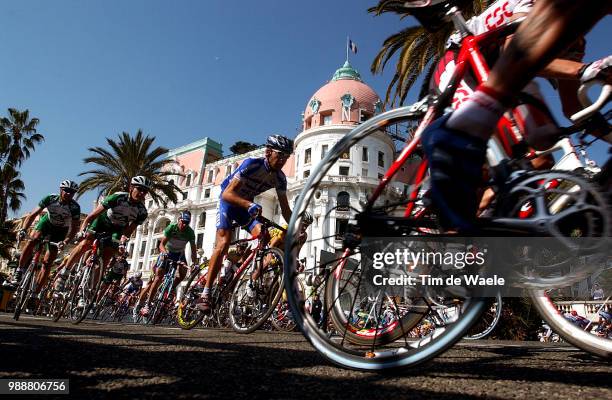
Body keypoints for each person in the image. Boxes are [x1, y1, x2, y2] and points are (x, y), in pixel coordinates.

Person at [417, 0, 612, 230]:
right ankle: (446, 212)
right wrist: (583, 70)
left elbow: (572, 108)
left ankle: (488, 209)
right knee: (475, 158)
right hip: (464, 62)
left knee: (542, 152)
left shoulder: (577, 37)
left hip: (507, 69)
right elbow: (518, 49)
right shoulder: (528, 2)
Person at [196, 134, 295, 312]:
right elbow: (227, 194)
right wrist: (249, 204)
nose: (282, 160)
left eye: (286, 157)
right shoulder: (251, 164)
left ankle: (251, 278)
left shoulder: (280, 178)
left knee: (264, 236)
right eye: (280, 155)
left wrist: (297, 225)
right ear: (268, 152)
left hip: (245, 208)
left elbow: (286, 210)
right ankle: (206, 291)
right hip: (229, 201)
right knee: (224, 242)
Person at [60, 176, 150, 307]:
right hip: (102, 221)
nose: (142, 193)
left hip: (117, 229)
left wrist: (123, 240)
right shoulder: (117, 197)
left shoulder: (142, 211)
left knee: (106, 258)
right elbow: (92, 216)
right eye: (140, 189)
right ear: (131, 188)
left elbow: (129, 230)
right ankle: (65, 273)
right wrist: (83, 229)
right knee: (85, 243)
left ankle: (86, 292)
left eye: (145, 191)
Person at [5, 180, 80, 293]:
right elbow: (33, 215)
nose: (69, 194)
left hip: (60, 230)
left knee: (48, 261)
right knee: (33, 239)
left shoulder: (75, 207)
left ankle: (35, 293)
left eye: (72, 192)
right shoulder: (50, 198)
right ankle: (19, 271)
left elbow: (74, 228)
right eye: (67, 191)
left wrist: (66, 241)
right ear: (60, 190)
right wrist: (24, 229)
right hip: (47, 223)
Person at [135, 210, 197, 317]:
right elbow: (161, 244)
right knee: (158, 278)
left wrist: (194, 263)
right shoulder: (171, 227)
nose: (184, 225)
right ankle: (147, 305)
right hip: (167, 252)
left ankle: (172, 287)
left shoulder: (190, 232)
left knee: (183, 273)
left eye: (187, 223)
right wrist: (164, 253)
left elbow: (193, 250)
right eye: (182, 222)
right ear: (179, 220)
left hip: (179, 254)